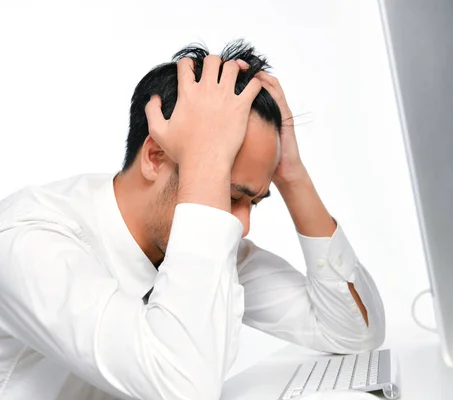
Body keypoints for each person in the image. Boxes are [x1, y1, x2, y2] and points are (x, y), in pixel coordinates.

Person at [0, 40, 385, 400]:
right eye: (231, 194)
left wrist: (292, 174)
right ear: (155, 157)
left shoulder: (195, 239)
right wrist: (207, 168)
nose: (242, 226)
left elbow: (354, 331)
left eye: (254, 201)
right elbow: (184, 388)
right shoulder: (30, 242)